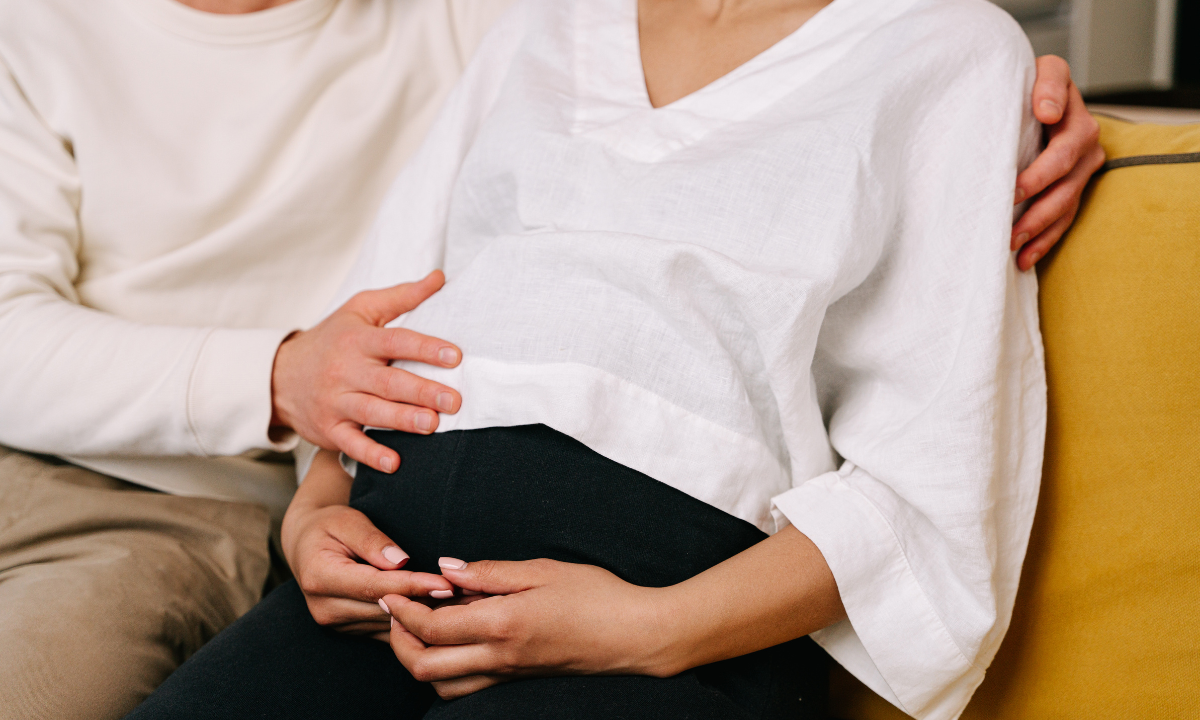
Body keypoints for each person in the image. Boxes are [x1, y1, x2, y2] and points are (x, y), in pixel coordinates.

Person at [0, 0, 1101, 718]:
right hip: (370, 595)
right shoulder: (537, 24)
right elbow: (371, 331)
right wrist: (312, 511)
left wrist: (651, 629)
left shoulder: (945, 50)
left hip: (652, 616)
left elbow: (930, 486)